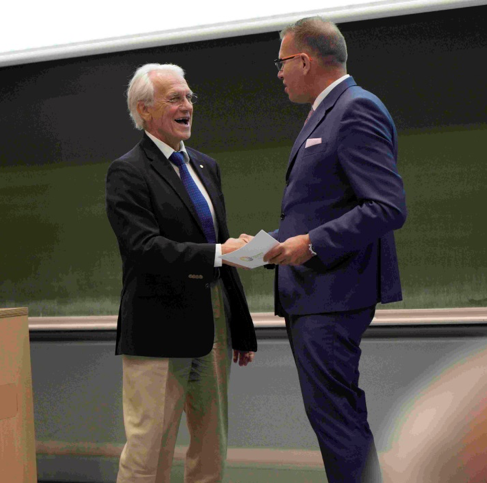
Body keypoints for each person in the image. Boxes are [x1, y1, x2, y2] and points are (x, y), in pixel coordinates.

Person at [262, 17, 407, 482]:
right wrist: (279, 244)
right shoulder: (328, 111)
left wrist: (313, 243)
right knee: (335, 421)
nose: (279, 73)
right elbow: (322, 203)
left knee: (338, 423)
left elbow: (387, 206)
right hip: (314, 295)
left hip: (333, 295)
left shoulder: (355, 108)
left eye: (282, 63)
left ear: (304, 60)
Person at [105, 63, 257, 483]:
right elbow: (142, 248)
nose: (186, 105)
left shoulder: (206, 167)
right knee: (149, 449)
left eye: (189, 97)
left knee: (212, 446)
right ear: (145, 109)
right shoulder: (128, 171)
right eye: (174, 98)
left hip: (214, 322)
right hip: (158, 327)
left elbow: (221, 250)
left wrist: (241, 328)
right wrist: (218, 253)